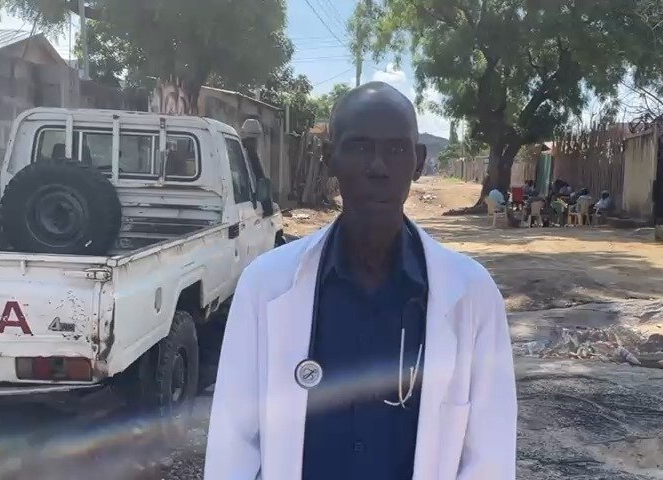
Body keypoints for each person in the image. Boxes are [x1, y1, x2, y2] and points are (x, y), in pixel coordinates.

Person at [204, 82, 517, 480]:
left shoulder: (472, 295)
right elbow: (233, 445)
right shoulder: (265, 286)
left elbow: (488, 456)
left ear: (418, 162)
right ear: (329, 158)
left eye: (397, 149)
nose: (378, 167)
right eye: (359, 147)